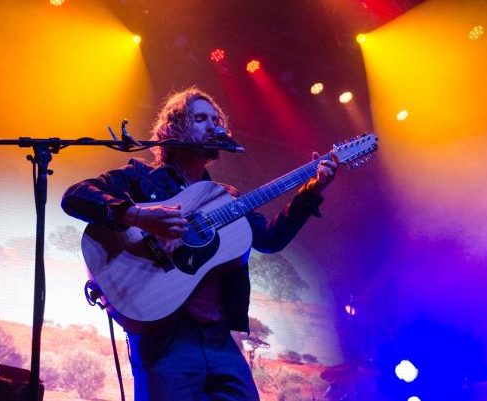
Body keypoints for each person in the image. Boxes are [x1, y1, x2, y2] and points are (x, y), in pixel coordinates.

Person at [61, 87, 337, 401]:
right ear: (174, 128)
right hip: (165, 336)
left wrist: (311, 192)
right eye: (201, 118)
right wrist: (139, 216)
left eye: (216, 120)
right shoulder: (142, 177)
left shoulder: (224, 197)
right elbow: (76, 196)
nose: (213, 125)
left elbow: (270, 240)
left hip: (219, 338)